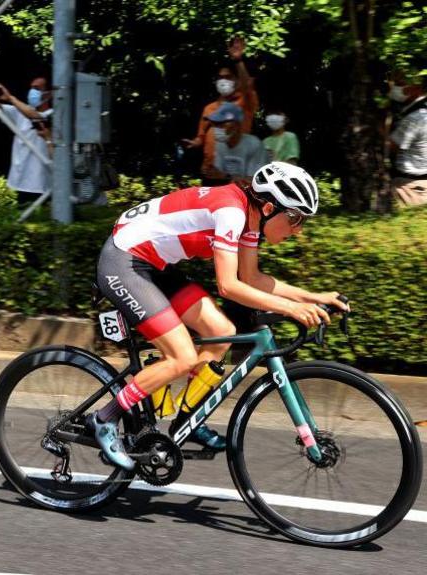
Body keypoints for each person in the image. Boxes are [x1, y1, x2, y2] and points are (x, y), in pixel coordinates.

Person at [87, 162, 347, 470]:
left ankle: (188, 419)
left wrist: (314, 297)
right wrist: (290, 308)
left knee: (221, 330)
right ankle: (104, 419)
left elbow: (251, 278)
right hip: (124, 263)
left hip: (153, 266)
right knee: (181, 357)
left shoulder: (251, 221)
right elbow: (229, 286)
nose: (298, 228)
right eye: (294, 217)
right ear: (268, 207)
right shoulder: (231, 212)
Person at [182, 38, 260, 174]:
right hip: (210, 172)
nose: (223, 80)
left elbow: (247, 87)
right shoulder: (209, 108)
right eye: (220, 77)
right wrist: (195, 143)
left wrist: (238, 60)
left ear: (237, 81)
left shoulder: (245, 103)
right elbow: (201, 137)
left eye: (228, 77)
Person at [0, 78, 52, 205]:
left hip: (44, 184)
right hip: (22, 183)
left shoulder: (53, 114)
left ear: (49, 93)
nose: (33, 91)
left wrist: (10, 97)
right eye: (32, 88)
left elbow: (35, 116)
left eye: (38, 88)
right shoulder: (21, 111)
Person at [201, 102, 268, 186]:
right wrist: (213, 174)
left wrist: (226, 176)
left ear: (237, 125)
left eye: (222, 124)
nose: (217, 129)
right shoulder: (221, 145)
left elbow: (254, 180)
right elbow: (221, 174)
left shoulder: (254, 145)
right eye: (215, 124)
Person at [388, 73, 427, 207]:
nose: (395, 89)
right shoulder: (421, 113)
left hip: (410, 188)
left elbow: (389, 147)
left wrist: (375, 126)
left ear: (417, 88)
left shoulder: (415, 118)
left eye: (400, 84)